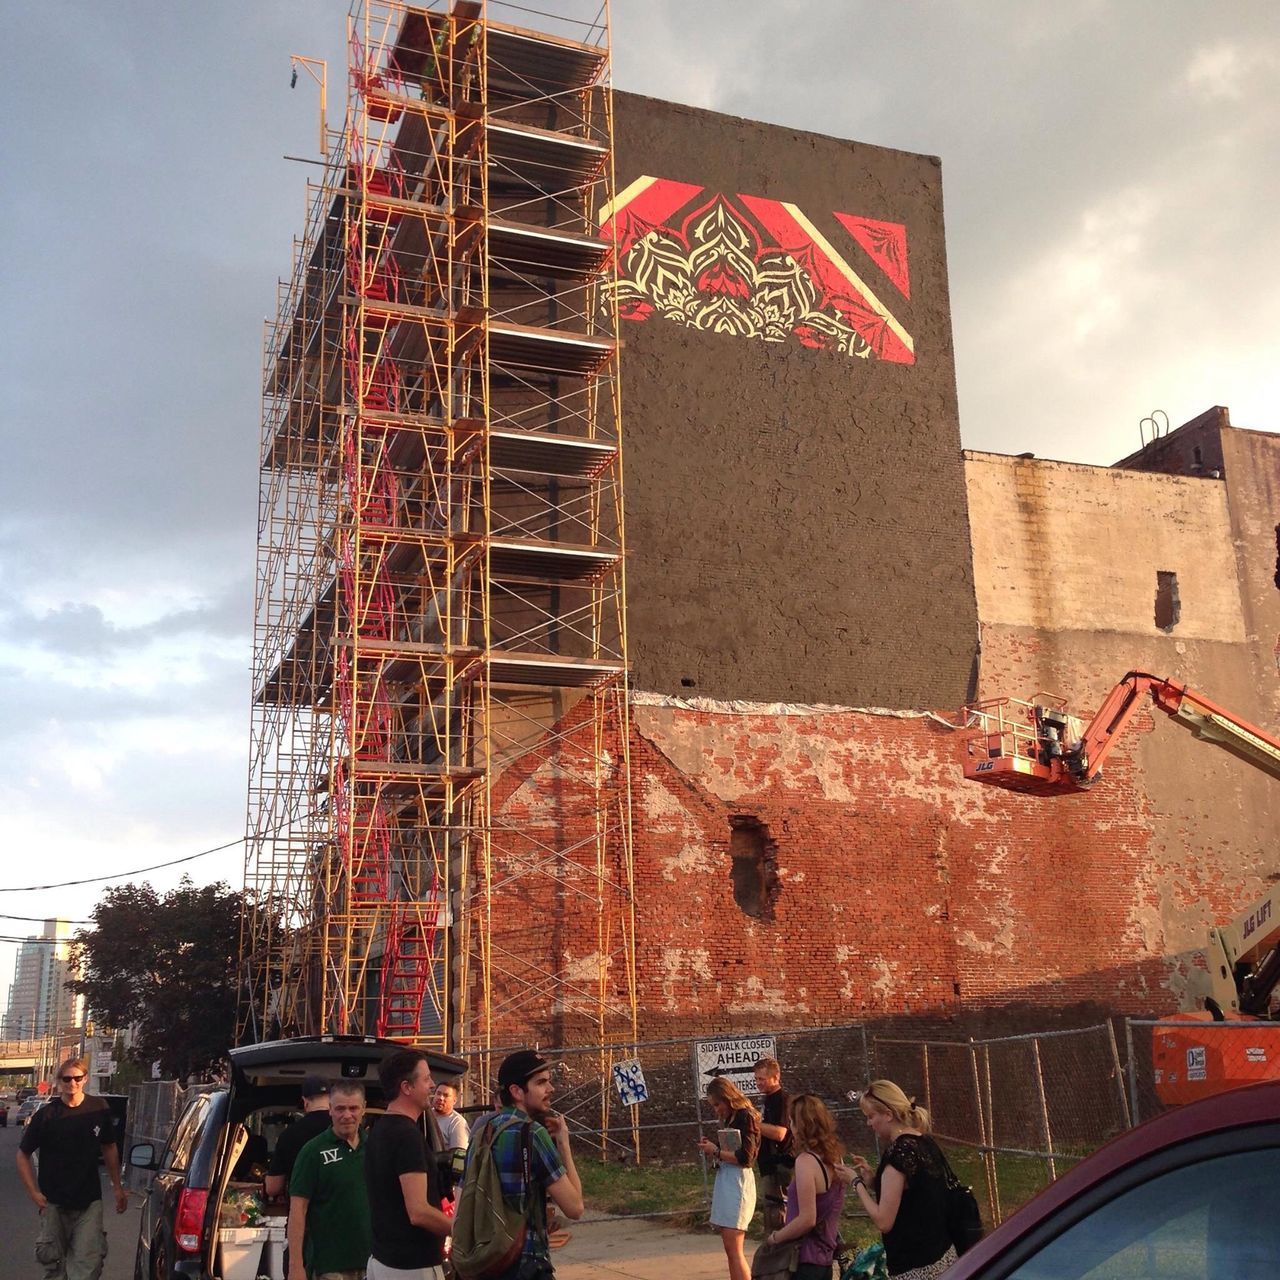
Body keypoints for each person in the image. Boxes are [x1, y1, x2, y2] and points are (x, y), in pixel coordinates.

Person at [466, 1049, 584, 1280]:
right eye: (541, 1083)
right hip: (527, 1264)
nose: (550, 1089)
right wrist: (564, 1144)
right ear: (517, 1091)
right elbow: (575, 1207)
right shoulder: (533, 1135)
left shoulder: (482, 1133)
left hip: (488, 1262)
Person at [16, 1055, 129, 1280]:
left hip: (89, 1201)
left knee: (88, 1264)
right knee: (54, 1262)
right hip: (54, 1202)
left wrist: (117, 1186)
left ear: (85, 1079)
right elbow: (22, 1155)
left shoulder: (98, 1109)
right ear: (59, 1081)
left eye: (77, 1078)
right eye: (66, 1079)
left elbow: (109, 1147)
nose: (72, 1083)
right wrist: (34, 1192)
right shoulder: (46, 1115)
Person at [846, 1080, 955, 1279]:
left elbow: (884, 1221)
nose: (869, 1123)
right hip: (943, 1255)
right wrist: (872, 1180)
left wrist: (856, 1183)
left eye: (871, 1116)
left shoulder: (899, 1154)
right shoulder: (924, 1141)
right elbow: (915, 1193)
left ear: (888, 1114)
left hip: (916, 1267)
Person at [365, 1049, 452, 1280]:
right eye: (426, 1079)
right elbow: (418, 1212)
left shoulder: (378, 1129)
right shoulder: (406, 1136)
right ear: (406, 1087)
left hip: (382, 1260)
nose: (432, 1085)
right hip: (411, 1267)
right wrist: (463, 1231)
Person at [287, 1081, 372, 1280]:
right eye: (340, 1108)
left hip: (373, 1263)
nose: (347, 1115)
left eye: (353, 1108)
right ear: (330, 1110)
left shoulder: (375, 1148)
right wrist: (296, 1265)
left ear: (364, 1108)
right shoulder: (313, 1151)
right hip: (329, 1266)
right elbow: (298, 1210)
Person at [762, 1094, 846, 1280]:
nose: (790, 1125)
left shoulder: (806, 1162)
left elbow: (807, 1219)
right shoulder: (834, 1158)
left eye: (792, 1121)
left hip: (804, 1257)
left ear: (801, 1126)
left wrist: (776, 1237)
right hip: (824, 1256)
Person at [696, 1077, 760, 1280]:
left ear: (727, 1097)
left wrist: (715, 1151)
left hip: (738, 1182)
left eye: (717, 1104)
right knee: (729, 1247)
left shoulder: (745, 1116)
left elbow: (746, 1158)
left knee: (734, 1248)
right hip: (727, 1179)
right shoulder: (731, 1117)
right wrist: (715, 1148)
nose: (716, 1110)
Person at [267, 1076, 332, 1199]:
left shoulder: (289, 1135)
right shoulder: (343, 1130)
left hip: (301, 1211)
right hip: (339, 1213)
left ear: (305, 1101)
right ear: (331, 1100)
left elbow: (273, 1188)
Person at [753, 1056, 794, 1233]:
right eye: (756, 1079)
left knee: (778, 1213)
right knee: (770, 1211)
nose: (758, 1083)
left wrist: (753, 1124)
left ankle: (781, 1252)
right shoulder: (768, 1099)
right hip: (769, 1164)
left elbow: (779, 1133)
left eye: (762, 1079)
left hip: (780, 1164)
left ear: (776, 1077)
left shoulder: (782, 1100)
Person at [432, 1080, 470, 1152]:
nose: (440, 1098)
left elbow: (459, 1155)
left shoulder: (457, 1123)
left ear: (454, 1101)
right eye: (438, 1093)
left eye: (446, 1095)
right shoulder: (424, 1115)